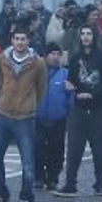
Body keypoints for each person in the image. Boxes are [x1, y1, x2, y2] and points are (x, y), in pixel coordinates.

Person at [0, 27, 48, 202]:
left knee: (27, 161)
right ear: (12, 40)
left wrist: (32, 105)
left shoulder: (38, 63)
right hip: (3, 115)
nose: (20, 42)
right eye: (17, 38)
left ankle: (26, 198)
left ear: (28, 41)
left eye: (23, 39)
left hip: (25, 117)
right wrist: (1, 102)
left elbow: (42, 88)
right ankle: (0, 194)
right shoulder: (2, 59)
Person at [55, 25, 102, 197]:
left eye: (89, 34)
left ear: (94, 37)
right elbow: (72, 80)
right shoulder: (75, 58)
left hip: (98, 109)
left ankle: (100, 184)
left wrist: (92, 94)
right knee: (74, 148)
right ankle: (70, 184)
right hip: (78, 109)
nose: (86, 37)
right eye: (83, 34)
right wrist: (69, 86)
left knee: (99, 149)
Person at [34, 43, 72, 191]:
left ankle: (53, 178)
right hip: (38, 118)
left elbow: (70, 94)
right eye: (52, 54)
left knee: (57, 151)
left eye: (58, 54)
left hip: (58, 119)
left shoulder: (65, 74)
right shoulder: (37, 73)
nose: (55, 57)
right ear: (45, 56)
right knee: (37, 149)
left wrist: (68, 110)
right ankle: (38, 177)